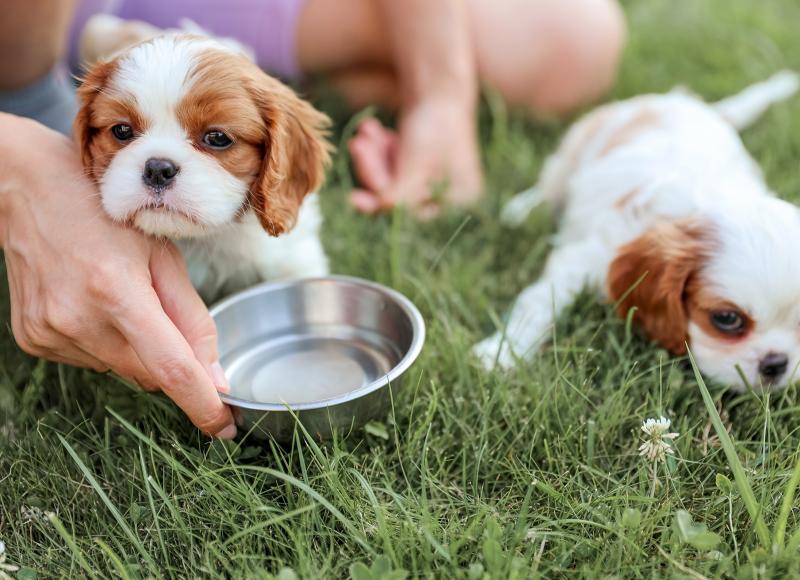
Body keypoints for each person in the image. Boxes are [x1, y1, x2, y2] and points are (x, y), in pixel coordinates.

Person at [0, 0, 625, 438]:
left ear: (279, 159)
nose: (158, 165)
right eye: (123, 132)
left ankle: (127, 42)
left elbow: (300, 272)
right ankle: (44, 81)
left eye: (216, 139)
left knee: (573, 37)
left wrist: (442, 97)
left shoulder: (281, 211)